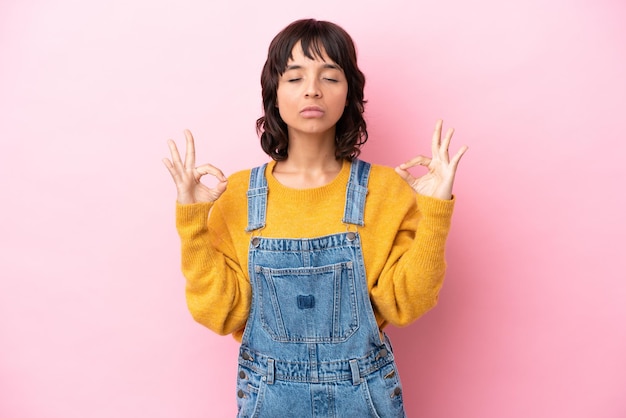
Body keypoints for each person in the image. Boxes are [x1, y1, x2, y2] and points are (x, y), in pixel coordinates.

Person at [163, 18, 467, 418]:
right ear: (273, 93)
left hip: (366, 400)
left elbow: (405, 304)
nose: (312, 89)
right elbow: (222, 314)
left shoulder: (387, 190)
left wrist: (434, 213)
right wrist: (193, 221)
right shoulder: (235, 195)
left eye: (329, 76)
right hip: (268, 401)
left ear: (349, 93)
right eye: (294, 77)